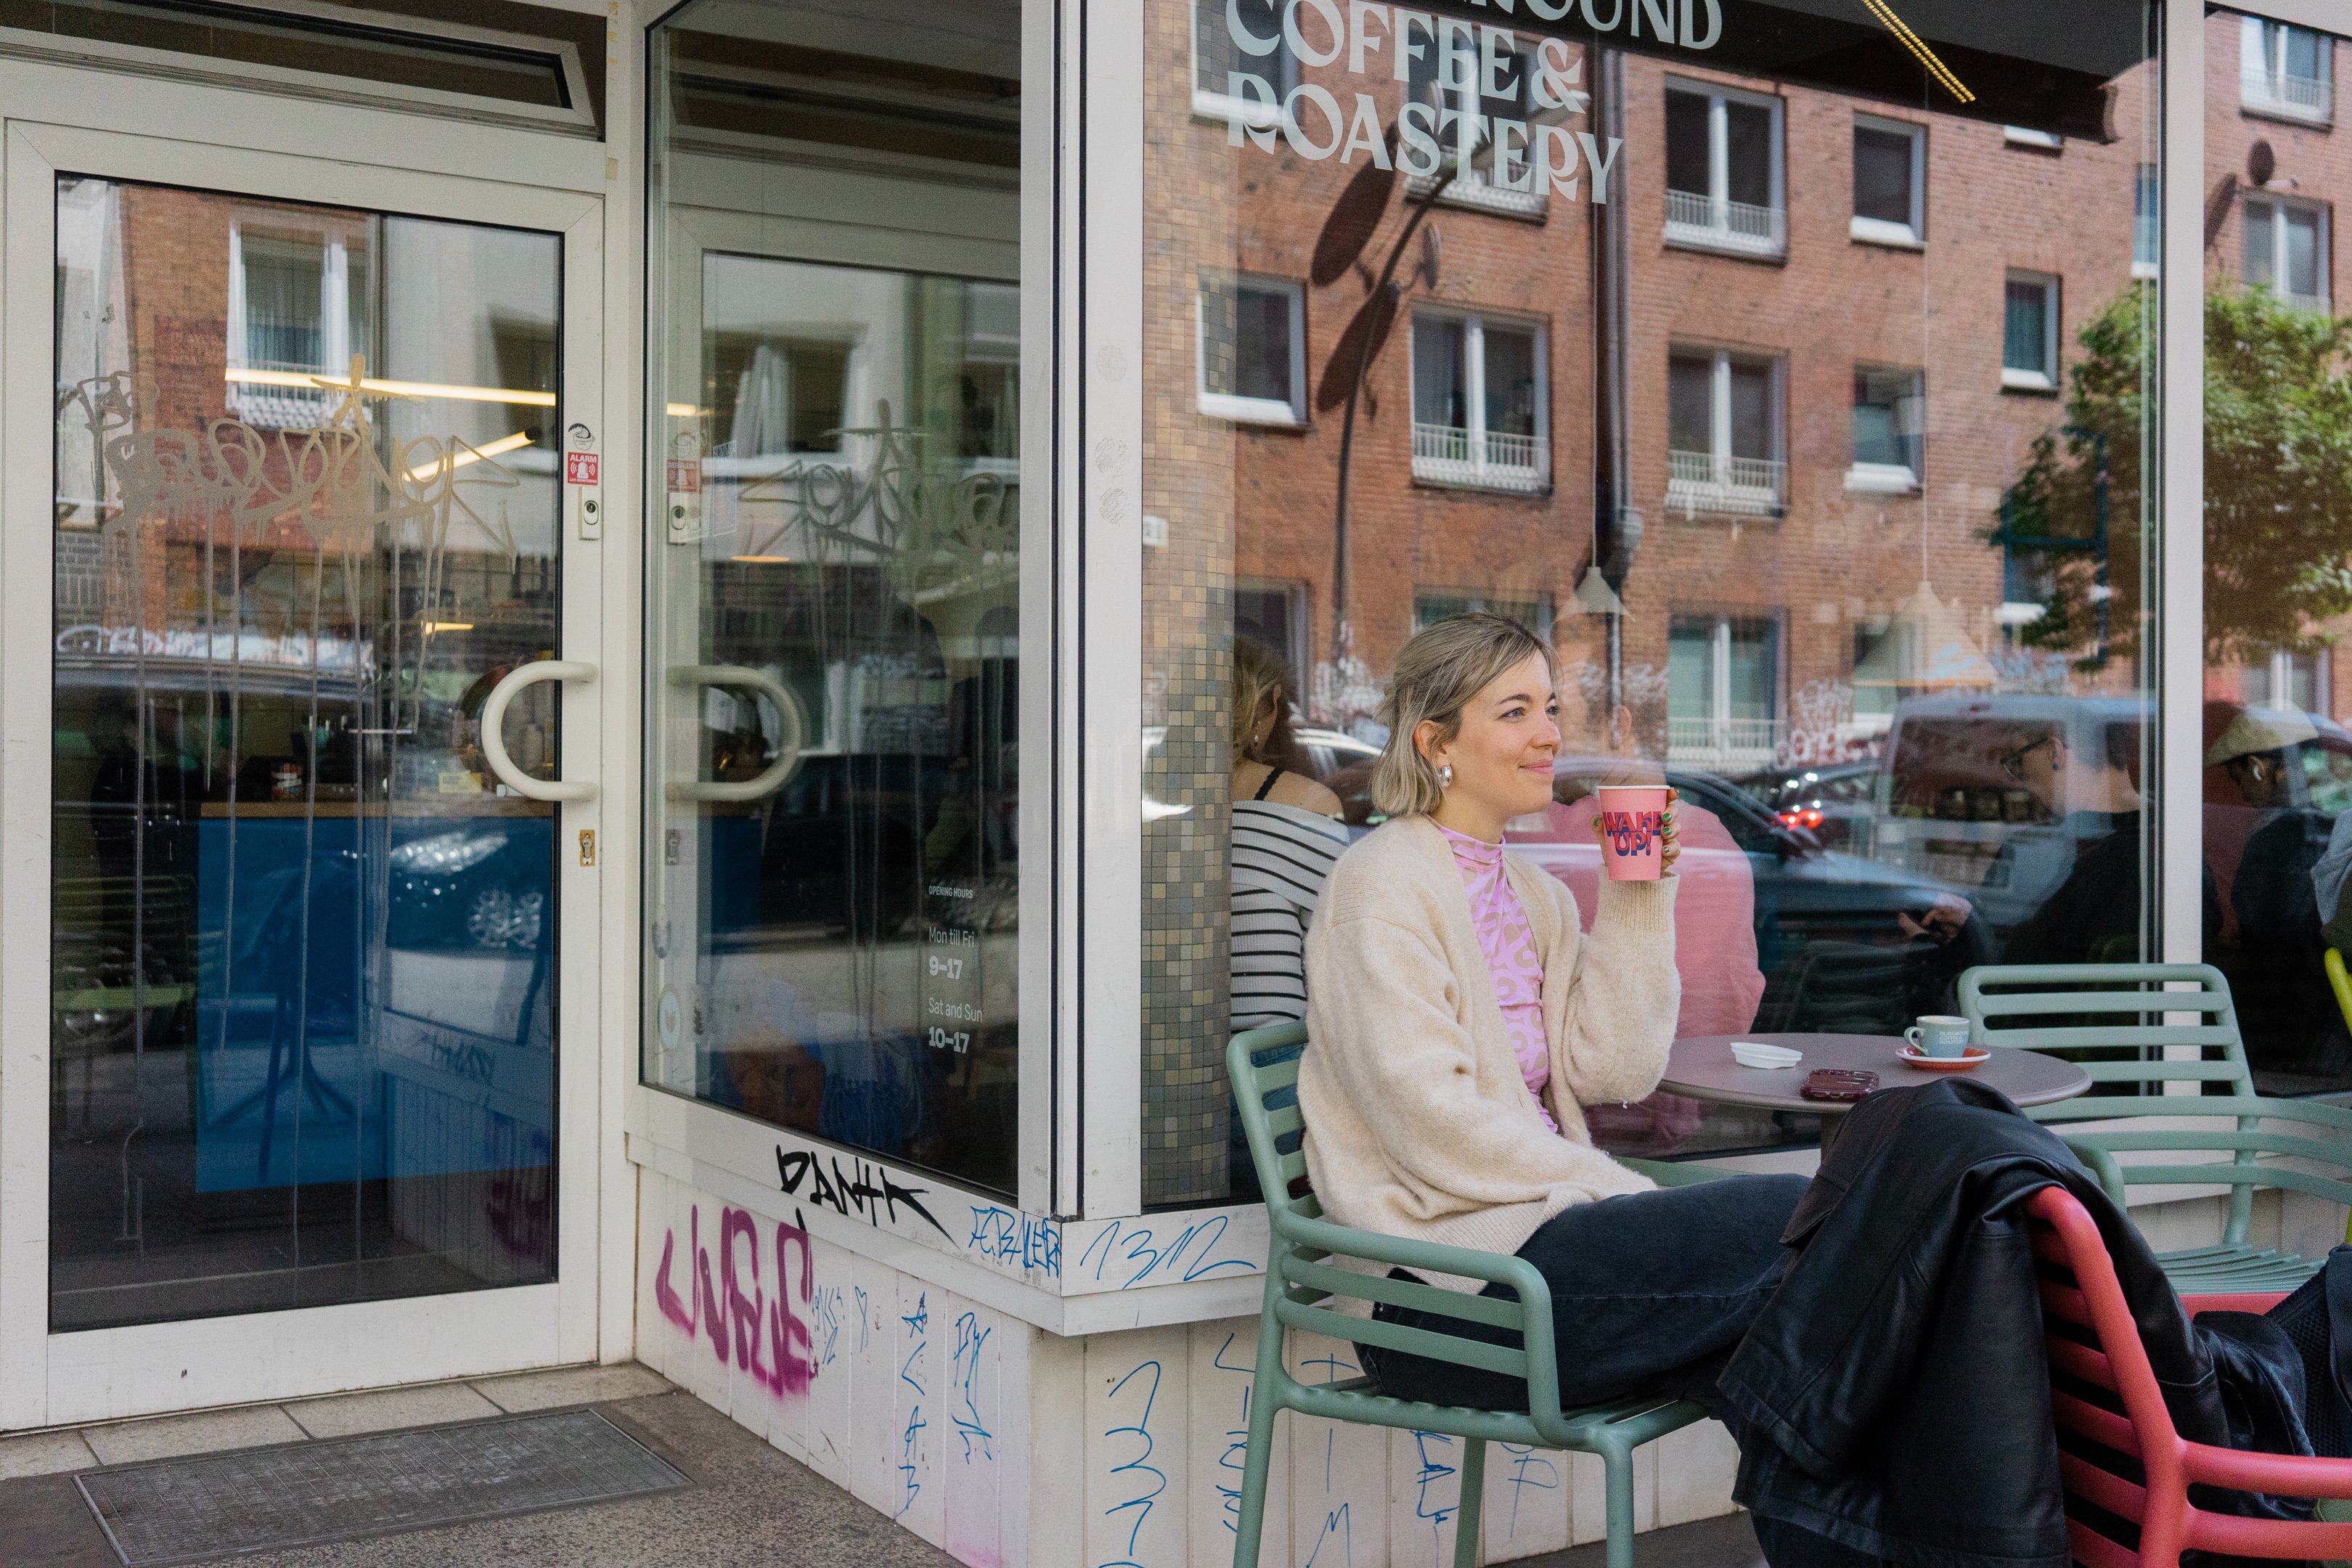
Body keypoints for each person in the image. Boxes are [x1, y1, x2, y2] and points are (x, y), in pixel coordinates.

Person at [1294, 614, 1809, 1434]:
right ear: (1435, 741)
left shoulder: (1535, 894)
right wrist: (1610, 1191)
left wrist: (1638, 893)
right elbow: (1433, 1125)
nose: (1550, 735)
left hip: (1546, 1255)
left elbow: (1616, 1071)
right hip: (1437, 1293)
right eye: (1515, 712)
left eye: (1551, 708)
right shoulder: (1379, 888)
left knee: (1806, 1346)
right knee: (1803, 1221)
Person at [1228, 637, 1347, 1193]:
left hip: (1154, 1071)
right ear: (1270, 704)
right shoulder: (1302, 805)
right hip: (1268, 1075)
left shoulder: (1150, 809)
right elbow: (1341, 950)